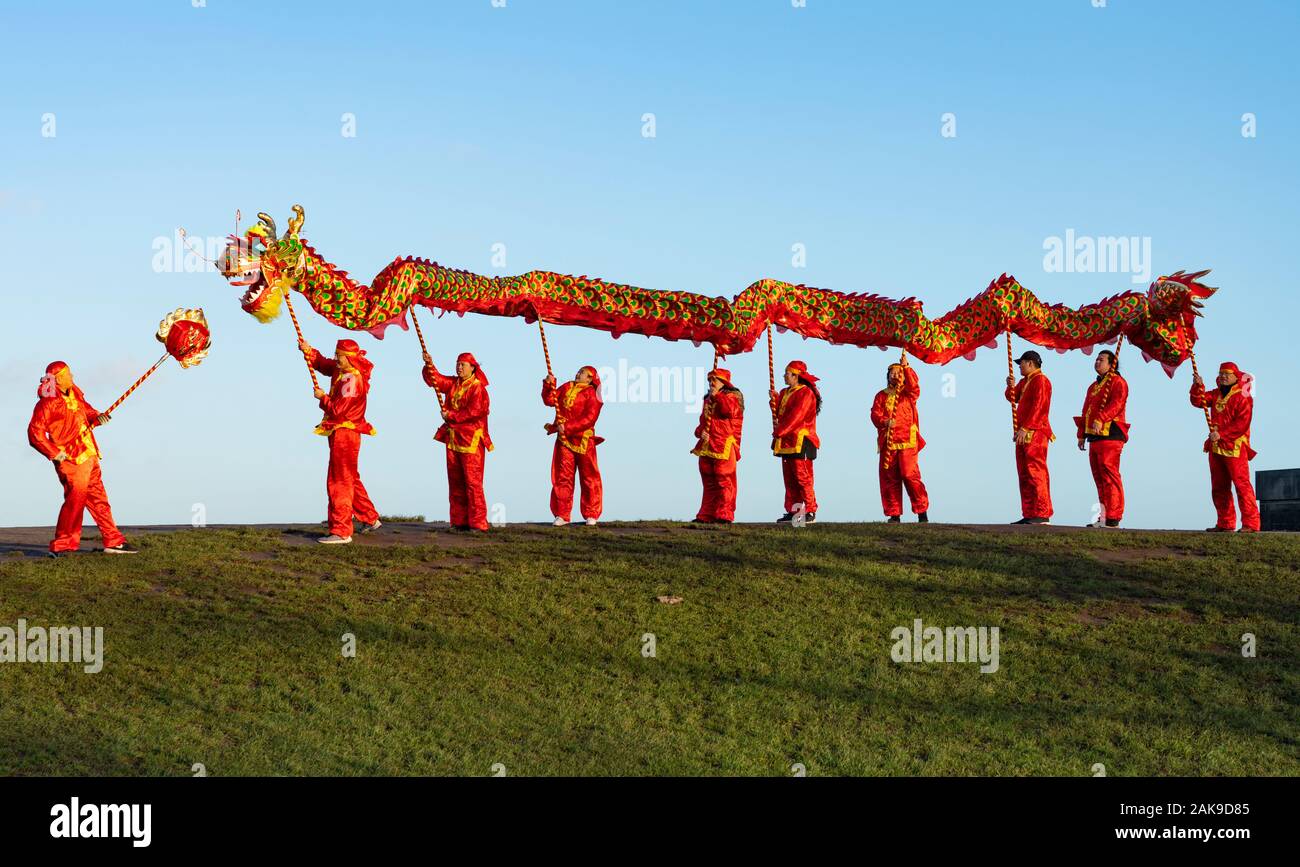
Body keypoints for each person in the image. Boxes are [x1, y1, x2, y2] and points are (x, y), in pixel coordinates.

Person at [27, 361, 136, 556]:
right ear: (59, 379)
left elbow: (87, 411)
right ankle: (62, 546)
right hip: (71, 460)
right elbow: (35, 433)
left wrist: (98, 417)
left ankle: (113, 540)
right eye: (68, 374)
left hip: (89, 455)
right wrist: (54, 452)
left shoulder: (75, 395)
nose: (72, 377)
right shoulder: (48, 403)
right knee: (74, 502)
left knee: (100, 499)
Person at [300, 338, 381, 544]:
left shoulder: (352, 380)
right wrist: (310, 351)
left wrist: (322, 398)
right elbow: (325, 365)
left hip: (345, 433)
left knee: (339, 481)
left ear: (350, 358)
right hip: (342, 433)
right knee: (349, 477)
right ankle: (370, 518)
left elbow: (338, 410)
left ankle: (341, 530)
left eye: (339, 356)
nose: (335, 358)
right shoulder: (341, 370)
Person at [424, 351, 492, 531]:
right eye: (458, 364)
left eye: (463, 364)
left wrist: (451, 415)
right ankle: (459, 520)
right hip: (453, 438)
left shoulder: (478, 388)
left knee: (472, 483)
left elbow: (475, 411)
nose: (459, 367)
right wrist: (429, 364)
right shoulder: (454, 383)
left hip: (471, 440)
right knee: (455, 481)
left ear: (473, 367)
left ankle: (478, 522)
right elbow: (435, 380)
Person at [1190, 361, 1259, 532]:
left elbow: (1242, 424)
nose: (1223, 376)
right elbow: (1199, 401)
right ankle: (1225, 523)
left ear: (1236, 377)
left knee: (1241, 485)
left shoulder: (1243, 397)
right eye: (1221, 374)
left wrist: (1222, 434)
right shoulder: (1216, 394)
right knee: (1219, 486)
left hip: (1234, 446)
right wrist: (1197, 386)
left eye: (1227, 374)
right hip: (1215, 446)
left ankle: (1251, 524)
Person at [543, 365, 604, 526]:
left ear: (590, 378)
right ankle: (562, 514)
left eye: (582, 373)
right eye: (578, 371)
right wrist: (549, 385)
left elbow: (590, 418)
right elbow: (549, 400)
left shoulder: (593, 394)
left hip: (584, 440)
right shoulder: (567, 386)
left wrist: (569, 427)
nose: (578, 374)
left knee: (589, 477)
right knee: (563, 477)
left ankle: (591, 513)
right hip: (564, 440)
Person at [1074, 349, 1128, 529]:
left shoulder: (1118, 382)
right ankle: (1104, 516)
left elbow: (1117, 404)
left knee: (1109, 475)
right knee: (1099, 477)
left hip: (1111, 435)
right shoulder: (1093, 386)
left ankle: (1114, 516)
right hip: (1094, 436)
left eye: (1101, 359)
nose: (1097, 362)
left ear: (1111, 364)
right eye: (1096, 359)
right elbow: (1085, 410)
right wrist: (1081, 433)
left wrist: (1102, 418)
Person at [869, 359, 929, 523]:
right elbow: (875, 414)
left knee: (909, 475)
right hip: (888, 442)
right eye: (892, 373)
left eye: (898, 373)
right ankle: (894, 514)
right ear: (887, 376)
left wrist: (907, 367)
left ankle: (921, 510)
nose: (895, 375)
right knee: (890, 478)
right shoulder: (881, 395)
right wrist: (884, 421)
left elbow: (915, 386)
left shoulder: (908, 394)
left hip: (907, 441)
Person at [1005, 349, 1054, 525]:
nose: (1019, 367)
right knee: (1024, 473)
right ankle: (1029, 512)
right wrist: (1010, 385)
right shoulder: (1025, 381)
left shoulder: (1041, 381)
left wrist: (1026, 427)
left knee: (1036, 471)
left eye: (1022, 363)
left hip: (1035, 432)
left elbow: (1040, 407)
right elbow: (1012, 398)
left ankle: (1042, 512)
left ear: (1031, 363)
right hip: (1022, 432)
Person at [691, 368, 744, 523]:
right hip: (707, 445)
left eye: (714, 380)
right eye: (709, 380)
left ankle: (724, 514)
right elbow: (702, 422)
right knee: (708, 481)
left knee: (724, 480)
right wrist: (700, 432)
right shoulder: (708, 399)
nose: (711, 383)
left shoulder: (733, 397)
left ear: (723, 382)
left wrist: (718, 397)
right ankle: (706, 515)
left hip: (724, 444)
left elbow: (729, 411)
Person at [771, 360, 821, 523]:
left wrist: (780, 431)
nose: (784, 375)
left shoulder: (806, 393)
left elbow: (796, 417)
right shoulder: (785, 392)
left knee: (803, 477)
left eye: (787, 373)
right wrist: (775, 400)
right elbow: (781, 413)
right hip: (786, 442)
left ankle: (811, 510)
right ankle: (795, 512)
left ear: (796, 376)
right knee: (790, 479)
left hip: (802, 440)